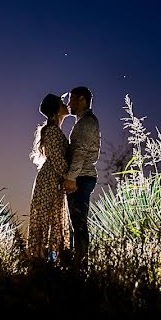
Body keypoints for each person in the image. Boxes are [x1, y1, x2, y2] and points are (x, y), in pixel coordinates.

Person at [27, 93, 71, 264]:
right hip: (50, 180)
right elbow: (58, 159)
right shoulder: (52, 131)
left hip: (54, 179)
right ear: (56, 109)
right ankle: (41, 262)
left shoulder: (54, 130)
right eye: (62, 103)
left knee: (52, 218)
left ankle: (48, 261)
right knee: (47, 218)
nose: (65, 104)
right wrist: (70, 177)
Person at [63, 86, 101, 273]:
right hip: (82, 176)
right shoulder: (83, 122)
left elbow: (80, 152)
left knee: (79, 225)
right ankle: (78, 266)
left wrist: (71, 178)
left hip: (81, 178)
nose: (68, 103)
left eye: (71, 99)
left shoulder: (86, 123)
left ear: (82, 99)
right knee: (76, 224)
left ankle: (81, 269)